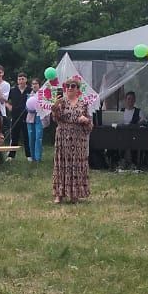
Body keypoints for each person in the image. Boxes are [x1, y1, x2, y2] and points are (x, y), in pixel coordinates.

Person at [51, 75, 92, 204]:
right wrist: (55, 106)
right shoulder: (60, 102)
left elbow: (90, 124)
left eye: (72, 86)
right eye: (67, 86)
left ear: (77, 89)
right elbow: (55, 119)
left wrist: (85, 120)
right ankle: (59, 194)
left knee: (76, 164)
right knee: (61, 164)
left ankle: (75, 194)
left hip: (78, 138)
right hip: (63, 136)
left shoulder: (83, 104)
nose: (69, 88)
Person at [9, 72, 31, 158]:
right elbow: (6, 101)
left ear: (26, 80)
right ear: (17, 80)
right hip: (15, 116)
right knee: (14, 136)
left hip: (27, 116)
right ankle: (11, 155)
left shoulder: (30, 90)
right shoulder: (13, 90)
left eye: (23, 79)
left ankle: (29, 155)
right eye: (19, 79)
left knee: (27, 136)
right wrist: (9, 106)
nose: (21, 81)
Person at [25, 86, 49, 162]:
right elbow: (27, 107)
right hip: (31, 118)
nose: (34, 85)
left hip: (40, 117)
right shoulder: (30, 95)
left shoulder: (44, 95)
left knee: (38, 137)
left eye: (36, 84)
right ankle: (32, 157)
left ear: (39, 85)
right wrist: (32, 108)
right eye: (33, 84)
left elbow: (47, 107)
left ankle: (38, 158)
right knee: (31, 137)